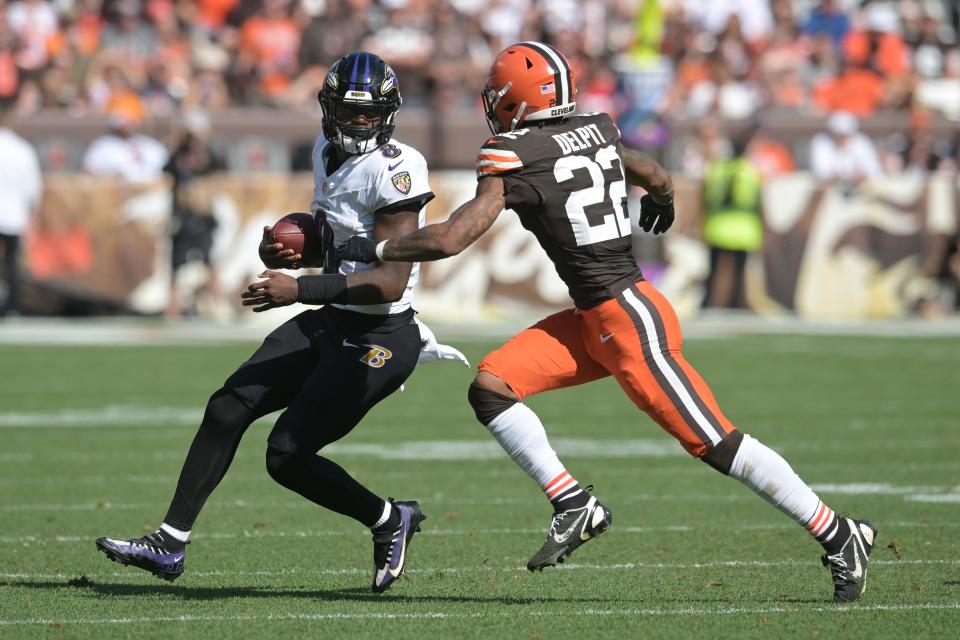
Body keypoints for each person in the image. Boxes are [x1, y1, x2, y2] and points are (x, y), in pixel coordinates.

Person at [339, 41, 877, 603]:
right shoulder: (597, 126)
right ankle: (574, 503)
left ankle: (839, 534)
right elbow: (652, 170)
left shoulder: (510, 152)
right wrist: (663, 197)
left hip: (628, 321)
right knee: (493, 386)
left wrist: (372, 249)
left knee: (716, 442)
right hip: (597, 318)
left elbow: (452, 237)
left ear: (511, 101)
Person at [96, 51, 459, 594]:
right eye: (348, 112)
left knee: (287, 455)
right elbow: (331, 230)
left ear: (388, 112)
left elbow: (387, 281)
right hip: (334, 316)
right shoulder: (323, 148)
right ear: (328, 109)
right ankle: (170, 543)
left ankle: (387, 518)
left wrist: (300, 288)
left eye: (369, 113)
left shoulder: (397, 166)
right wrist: (294, 247)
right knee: (227, 406)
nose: (359, 123)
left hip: (380, 335)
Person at [700, 135, 763, 309]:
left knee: (713, 270)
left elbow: (706, 198)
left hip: (717, 226)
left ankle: (706, 304)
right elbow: (757, 201)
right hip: (743, 229)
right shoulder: (750, 170)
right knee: (738, 272)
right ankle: (734, 304)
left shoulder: (715, 168)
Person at [0, 99, 42, 316]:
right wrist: (32, 218)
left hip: (9, 212)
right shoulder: (22, 149)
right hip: (14, 215)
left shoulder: (22, 148)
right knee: (11, 264)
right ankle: (12, 306)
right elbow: (33, 189)